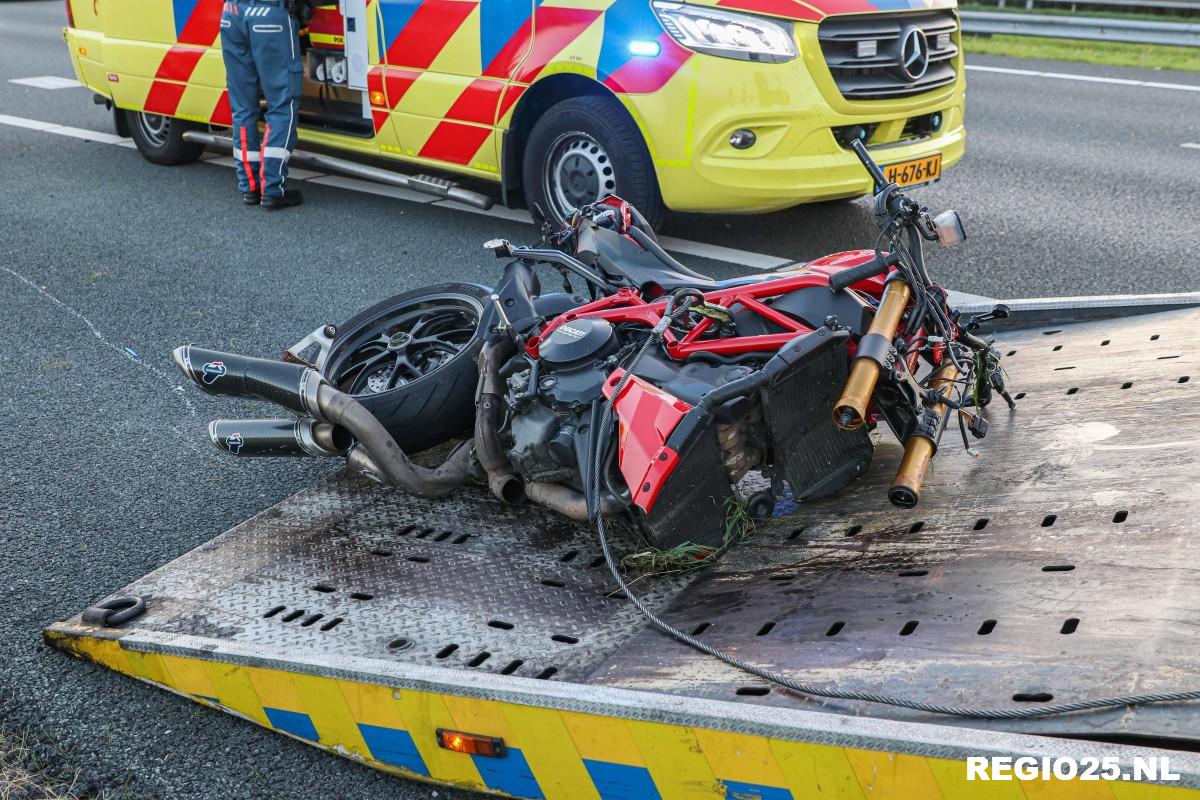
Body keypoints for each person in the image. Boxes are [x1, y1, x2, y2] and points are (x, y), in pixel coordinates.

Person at [219, 0, 311, 210]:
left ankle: (250, 186)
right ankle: (272, 189)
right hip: (270, 14)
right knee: (282, 104)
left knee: (243, 107)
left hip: (231, 14)